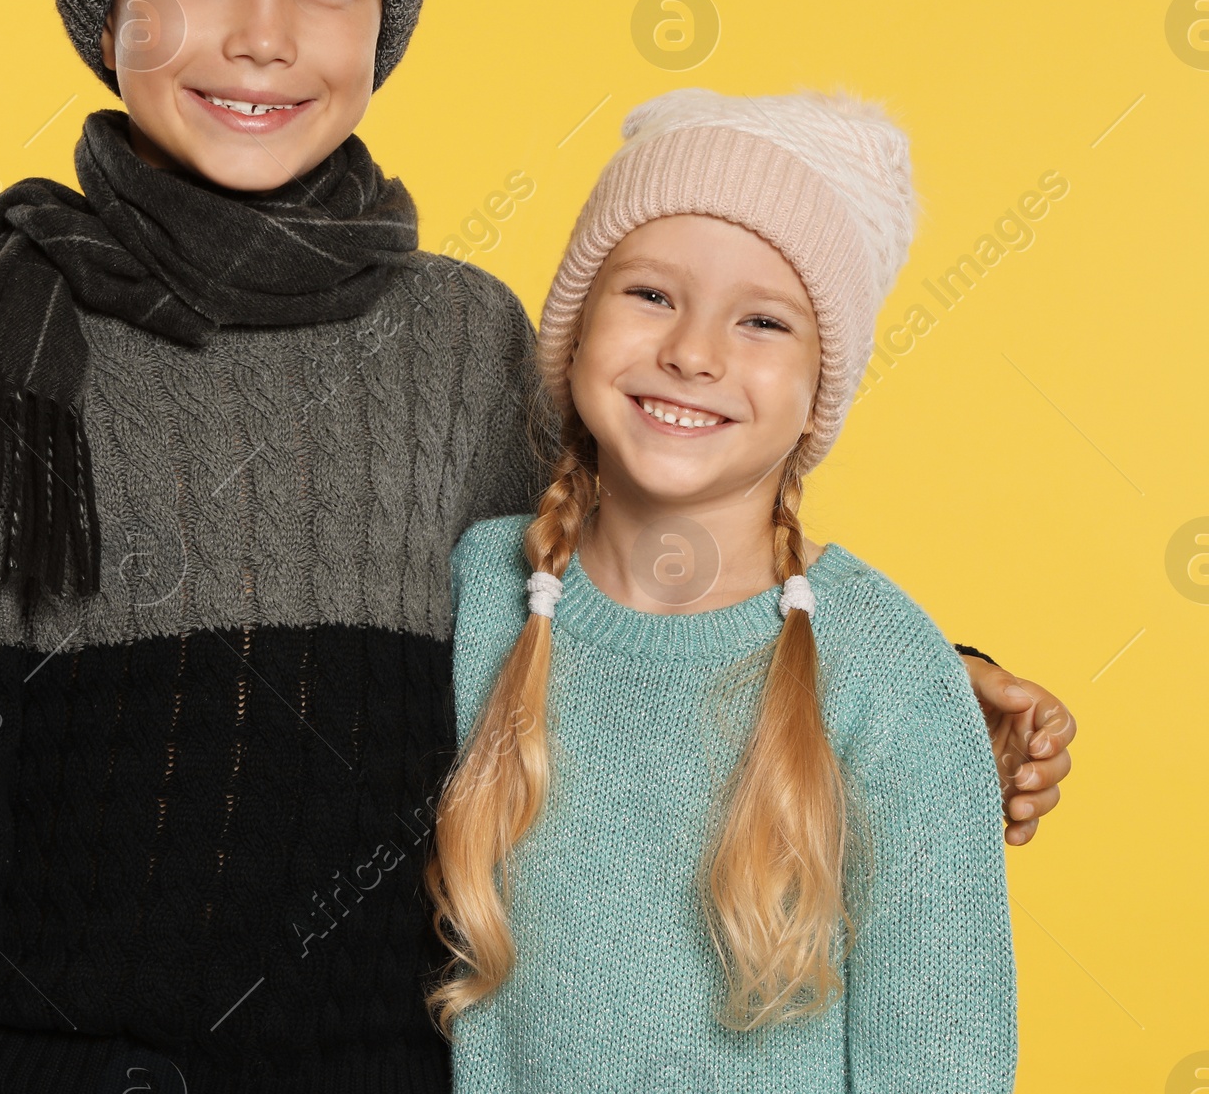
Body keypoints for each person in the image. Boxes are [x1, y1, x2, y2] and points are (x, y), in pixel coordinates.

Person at [0, 0, 1068, 1093]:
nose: (262, 34)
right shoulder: (0, 369)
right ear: (104, 6)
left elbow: (628, 582)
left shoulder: (462, 341)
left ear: (384, 20)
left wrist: (910, 688)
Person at [427, 89, 1019, 1091]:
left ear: (817, 389)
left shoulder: (885, 669)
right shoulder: (479, 593)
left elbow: (941, 1057)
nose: (692, 353)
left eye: (762, 320)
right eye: (650, 294)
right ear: (574, 329)